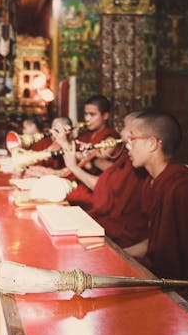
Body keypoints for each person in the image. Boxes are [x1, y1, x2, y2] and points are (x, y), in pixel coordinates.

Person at [122, 109, 188, 279]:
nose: (128, 146)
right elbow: (153, 241)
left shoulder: (183, 187)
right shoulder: (151, 182)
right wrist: (120, 254)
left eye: (132, 139)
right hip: (157, 272)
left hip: (182, 283)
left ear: (152, 143)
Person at [55, 106, 148, 248]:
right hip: (102, 197)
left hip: (107, 207)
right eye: (85, 114)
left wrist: (72, 159)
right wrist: (90, 157)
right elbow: (111, 173)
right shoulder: (87, 136)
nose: (86, 119)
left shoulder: (111, 137)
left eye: (126, 129)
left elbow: (107, 185)